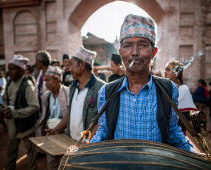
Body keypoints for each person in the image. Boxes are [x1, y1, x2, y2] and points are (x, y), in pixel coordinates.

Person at [90, 14, 195, 152]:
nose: (134, 52)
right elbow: (104, 130)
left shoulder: (168, 89)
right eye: (128, 46)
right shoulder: (106, 92)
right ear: (121, 53)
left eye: (143, 45)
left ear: (153, 52)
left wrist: (194, 155)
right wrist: (88, 148)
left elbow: (173, 132)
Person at [1, 55, 39, 170]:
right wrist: (4, 108)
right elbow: (4, 99)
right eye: (9, 69)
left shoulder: (27, 86)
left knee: (31, 153)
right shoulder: (9, 83)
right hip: (13, 125)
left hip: (26, 126)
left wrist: (15, 113)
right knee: (10, 152)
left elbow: (34, 106)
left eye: (12, 69)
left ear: (21, 70)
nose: (9, 72)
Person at [65, 47, 105, 141]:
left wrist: (88, 141)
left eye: (71, 65)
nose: (69, 69)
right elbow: (70, 112)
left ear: (82, 65)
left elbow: (102, 121)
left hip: (88, 145)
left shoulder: (101, 88)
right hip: (71, 140)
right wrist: (56, 129)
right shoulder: (72, 87)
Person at [40, 66, 69, 170]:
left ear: (57, 80)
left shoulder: (68, 93)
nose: (46, 83)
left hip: (64, 134)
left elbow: (69, 115)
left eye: (48, 80)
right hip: (50, 134)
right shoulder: (46, 96)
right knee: (51, 161)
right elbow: (44, 115)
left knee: (64, 161)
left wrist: (58, 128)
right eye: (45, 80)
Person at [164, 61, 197, 135]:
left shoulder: (183, 89)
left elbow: (184, 116)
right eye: (165, 69)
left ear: (176, 73)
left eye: (168, 69)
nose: (164, 72)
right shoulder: (166, 87)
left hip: (177, 131)